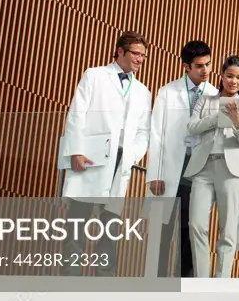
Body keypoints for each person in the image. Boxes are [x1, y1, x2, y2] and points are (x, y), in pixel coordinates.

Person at [58, 31, 152, 276]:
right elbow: (77, 113)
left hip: (120, 164)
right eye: (136, 54)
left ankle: (103, 287)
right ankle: (68, 284)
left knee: (109, 230)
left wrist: (131, 158)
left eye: (143, 56)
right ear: (120, 51)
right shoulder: (95, 75)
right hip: (90, 160)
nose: (140, 59)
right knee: (77, 225)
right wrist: (76, 151)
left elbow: (144, 132)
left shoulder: (143, 92)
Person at [146, 41, 214, 278]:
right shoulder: (167, 92)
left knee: (190, 229)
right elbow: (156, 135)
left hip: (198, 173)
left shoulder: (215, 94)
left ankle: (186, 285)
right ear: (186, 66)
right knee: (161, 230)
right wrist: (154, 174)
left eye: (208, 64)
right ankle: (155, 285)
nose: (205, 70)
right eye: (199, 66)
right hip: (169, 171)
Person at [182, 55, 239, 278]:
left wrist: (238, 122)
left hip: (233, 173)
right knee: (196, 224)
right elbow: (192, 127)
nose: (233, 81)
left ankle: (222, 282)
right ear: (221, 76)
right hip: (203, 169)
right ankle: (202, 280)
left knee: (228, 231)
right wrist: (216, 118)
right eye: (229, 76)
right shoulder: (205, 100)